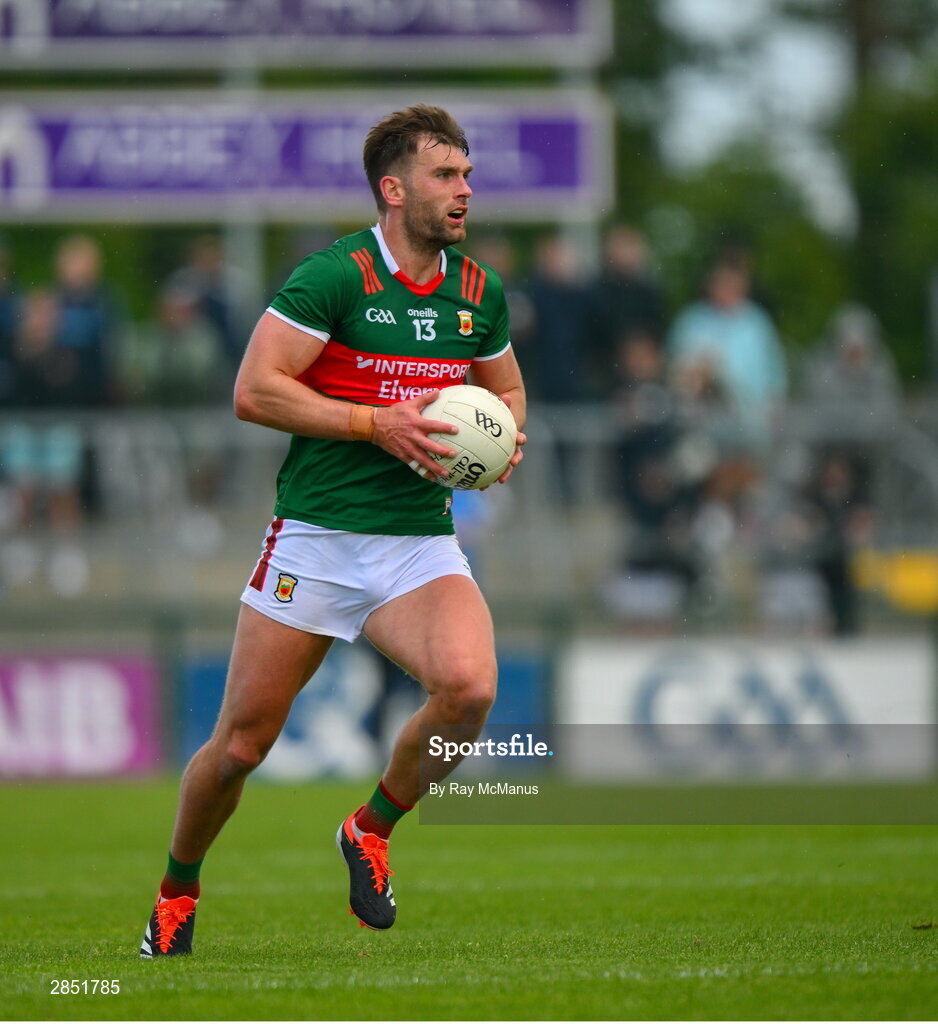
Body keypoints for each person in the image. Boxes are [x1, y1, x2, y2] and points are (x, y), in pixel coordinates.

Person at [140, 104, 526, 957]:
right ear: (394, 190)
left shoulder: (477, 292)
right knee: (239, 748)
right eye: (444, 175)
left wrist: (499, 446)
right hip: (314, 539)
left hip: (417, 542)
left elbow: (506, 393)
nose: (463, 190)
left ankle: (371, 827)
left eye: (466, 174)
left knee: (469, 688)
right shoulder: (333, 277)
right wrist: (373, 423)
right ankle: (176, 889)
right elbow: (255, 390)